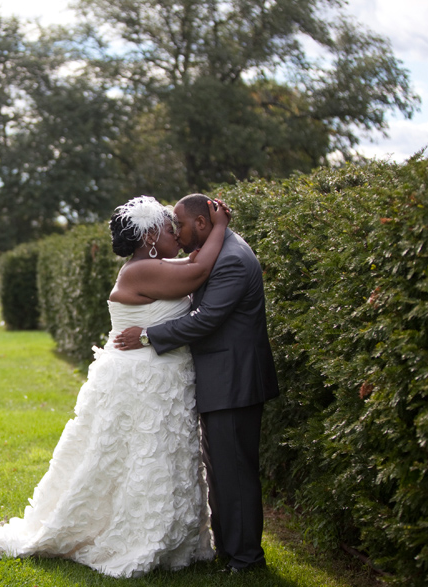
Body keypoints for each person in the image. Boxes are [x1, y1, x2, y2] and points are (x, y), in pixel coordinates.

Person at [0, 195, 230, 578]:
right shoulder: (139, 271)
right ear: (149, 237)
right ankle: (135, 534)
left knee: (157, 455)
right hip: (141, 381)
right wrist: (222, 228)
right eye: (168, 229)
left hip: (162, 378)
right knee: (137, 457)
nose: (176, 235)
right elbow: (197, 273)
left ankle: (172, 537)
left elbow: (195, 264)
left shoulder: (154, 265)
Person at [113, 193, 280, 574]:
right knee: (222, 469)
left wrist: (147, 336)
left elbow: (206, 319)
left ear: (202, 224)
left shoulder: (233, 259)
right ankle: (231, 551)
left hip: (233, 380)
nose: (177, 231)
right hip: (220, 379)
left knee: (234, 471)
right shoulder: (216, 251)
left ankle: (247, 559)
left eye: (182, 225)